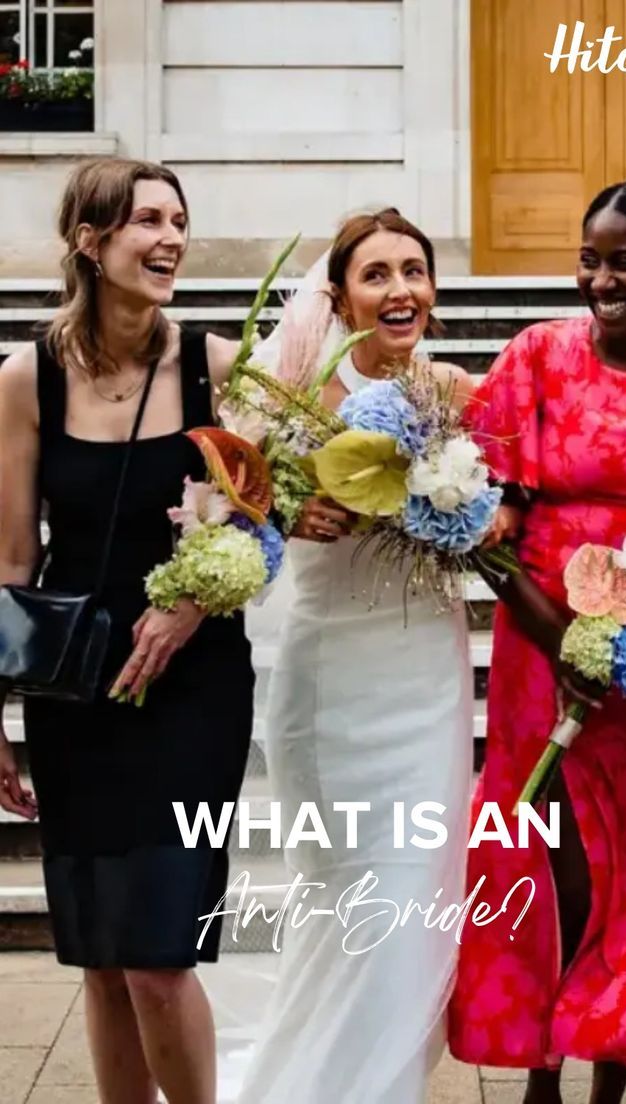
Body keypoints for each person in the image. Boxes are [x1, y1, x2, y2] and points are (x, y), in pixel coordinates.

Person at [448, 180, 626, 1104]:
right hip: (543, 644)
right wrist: (562, 638)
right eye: (589, 259)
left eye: (625, 261)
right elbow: (471, 522)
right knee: (550, 854)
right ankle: (541, 1066)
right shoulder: (536, 358)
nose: (600, 280)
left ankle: (611, 1066)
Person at [0, 158, 252, 1104]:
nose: (171, 238)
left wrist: (195, 602)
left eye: (179, 219)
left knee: (156, 956)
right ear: (89, 241)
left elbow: (266, 522)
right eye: (148, 219)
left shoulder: (217, 369)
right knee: (102, 958)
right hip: (77, 686)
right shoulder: (27, 378)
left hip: (194, 689)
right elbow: (14, 555)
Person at [234, 208, 476, 1104]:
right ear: (339, 296)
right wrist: (281, 511)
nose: (400, 289)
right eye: (376, 274)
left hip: (423, 677)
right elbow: (223, 500)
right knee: (336, 888)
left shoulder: (452, 390)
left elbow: (504, 512)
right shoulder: (289, 386)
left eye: (414, 271)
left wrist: (464, 513)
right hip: (325, 673)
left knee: (412, 894)